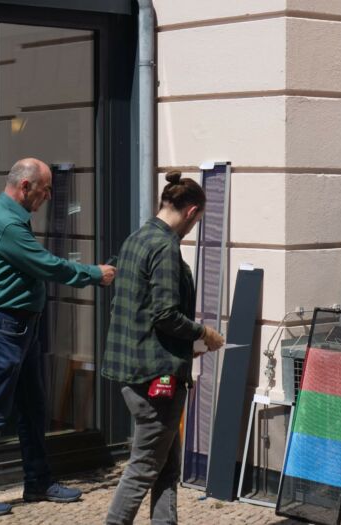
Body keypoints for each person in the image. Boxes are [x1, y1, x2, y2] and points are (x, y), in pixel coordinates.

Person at [0, 158, 116, 516]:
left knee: (32, 407)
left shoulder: (8, 215)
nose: (48, 196)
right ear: (25, 187)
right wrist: (93, 274)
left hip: (16, 326)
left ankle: (38, 481)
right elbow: (45, 264)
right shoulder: (6, 221)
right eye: (44, 189)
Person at [102, 171, 224, 525]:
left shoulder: (136, 239)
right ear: (191, 212)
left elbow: (137, 311)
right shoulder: (165, 246)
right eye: (196, 221)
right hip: (155, 376)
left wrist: (187, 347)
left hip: (135, 369)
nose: (193, 227)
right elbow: (166, 315)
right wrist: (204, 334)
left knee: (166, 466)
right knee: (144, 467)